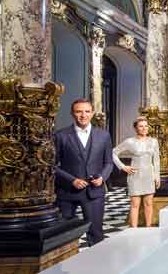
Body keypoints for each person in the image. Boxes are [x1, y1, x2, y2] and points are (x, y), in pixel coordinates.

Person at [54, 99, 113, 246]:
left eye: (87, 111)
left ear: (92, 113)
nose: (83, 115)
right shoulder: (60, 136)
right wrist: (71, 180)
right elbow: (51, 165)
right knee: (64, 235)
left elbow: (109, 163)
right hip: (67, 192)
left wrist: (102, 177)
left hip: (94, 191)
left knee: (96, 234)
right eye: (79, 111)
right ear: (72, 113)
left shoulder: (104, 136)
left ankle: (96, 267)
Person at [112, 116, 160, 227]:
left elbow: (156, 160)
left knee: (149, 204)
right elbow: (113, 153)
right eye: (141, 126)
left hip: (149, 175)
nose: (144, 128)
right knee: (134, 204)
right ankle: (133, 230)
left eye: (146, 126)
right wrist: (123, 167)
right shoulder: (130, 142)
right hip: (135, 176)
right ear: (136, 128)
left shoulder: (153, 141)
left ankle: (148, 228)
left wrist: (157, 176)